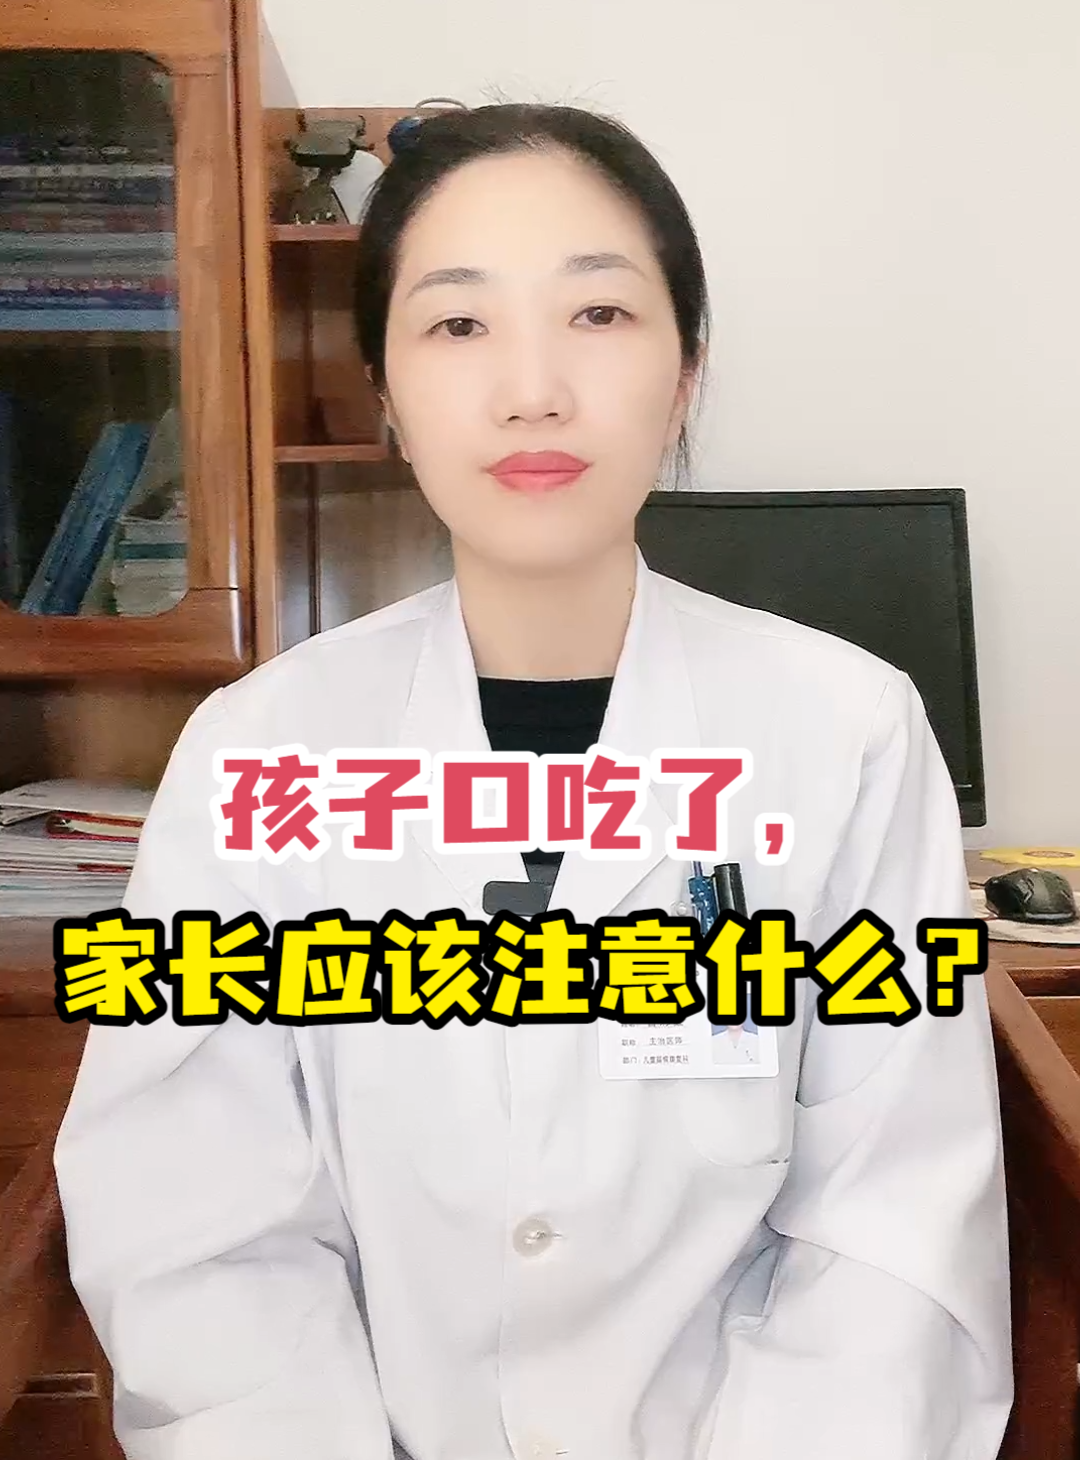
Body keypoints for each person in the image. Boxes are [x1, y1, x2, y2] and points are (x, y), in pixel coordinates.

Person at [54, 103, 1012, 1460]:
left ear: (686, 373)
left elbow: (891, 1218)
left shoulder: (848, 731)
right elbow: (194, 1226)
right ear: (385, 396)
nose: (532, 389)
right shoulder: (255, 753)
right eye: (458, 323)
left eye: (599, 314)